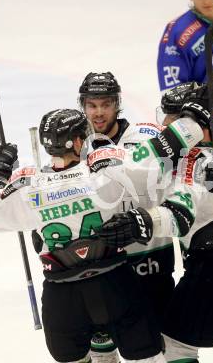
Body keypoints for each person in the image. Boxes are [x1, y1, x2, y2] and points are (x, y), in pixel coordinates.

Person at [0, 104, 209, 363]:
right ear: (78, 141)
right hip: (114, 285)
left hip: (62, 299)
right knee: (147, 357)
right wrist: (189, 124)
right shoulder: (101, 171)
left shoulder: (28, 185)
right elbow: (152, 157)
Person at [98, 79, 213, 362]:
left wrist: (143, 221)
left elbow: (180, 213)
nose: (169, 127)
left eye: (174, 118)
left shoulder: (186, 160)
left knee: (176, 345)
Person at [77, 72, 175, 362]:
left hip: (149, 258)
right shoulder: (77, 143)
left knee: (156, 350)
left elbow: (155, 177)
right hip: (103, 267)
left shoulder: (143, 136)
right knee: (102, 351)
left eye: (105, 104)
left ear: (116, 104)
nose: (98, 112)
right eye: (91, 105)